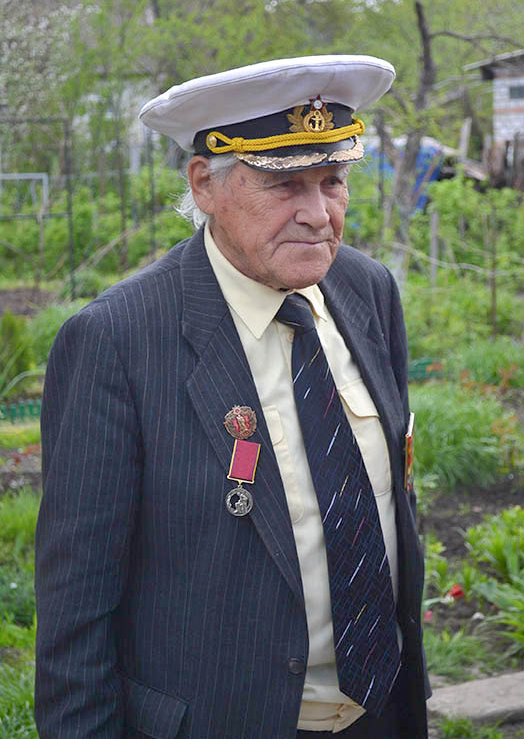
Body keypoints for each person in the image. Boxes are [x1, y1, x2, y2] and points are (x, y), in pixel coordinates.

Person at [35, 54, 430, 739]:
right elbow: (77, 604)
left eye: (333, 181)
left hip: (382, 711)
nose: (318, 215)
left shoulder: (367, 290)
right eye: (284, 184)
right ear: (204, 184)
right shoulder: (118, 341)